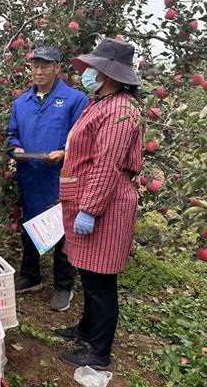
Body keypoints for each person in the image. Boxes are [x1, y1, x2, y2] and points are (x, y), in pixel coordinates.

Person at [55, 38, 143, 369]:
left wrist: (90, 210)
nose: (87, 72)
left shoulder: (119, 110)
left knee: (100, 281)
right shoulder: (101, 103)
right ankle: (86, 329)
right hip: (89, 199)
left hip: (104, 205)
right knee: (90, 273)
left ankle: (99, 352)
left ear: (106, 73)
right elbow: (90, 151)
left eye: (92, 68)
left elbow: (107, 164)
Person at [7, 46, 88, 312]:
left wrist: (64, 153)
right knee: (30, 225)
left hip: (61, 176)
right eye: (35, 66)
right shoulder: (21, 103)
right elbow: (12, 135)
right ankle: (31, 276)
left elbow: (82, 138)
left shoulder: (75, 100)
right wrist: (15, 148)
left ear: (57, 68)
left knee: (62, 231)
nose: (39, 71)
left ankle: (64, 285)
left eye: (45, 66)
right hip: (30, 174)